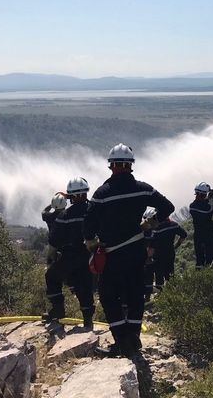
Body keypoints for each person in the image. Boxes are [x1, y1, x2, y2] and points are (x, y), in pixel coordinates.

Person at [84, 143, 174, 358]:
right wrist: (150, 223)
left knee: (108, 296)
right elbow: (168, 207)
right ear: (131, 165)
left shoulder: (102, 193)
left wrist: (91, 243)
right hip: (136, 251)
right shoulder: (143, 189)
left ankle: (122, 341)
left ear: (111, 166)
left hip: (112, 255)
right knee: (135, 294)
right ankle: (133, 338)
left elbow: (88, 225)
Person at [43, 178, 95, 330]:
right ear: (86, 193)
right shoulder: (94, 211)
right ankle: (87, 321)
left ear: (70, 196)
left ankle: (58, 309)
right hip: (89, 256)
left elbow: (53, 240)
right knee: (83, 286)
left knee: (51, 276)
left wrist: (50, 257)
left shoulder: (65, 215)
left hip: (69, 256)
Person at [149, 211, 187, 290]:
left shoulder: (155, 229)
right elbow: (184, 235)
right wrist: (176, 246)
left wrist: (148, 258)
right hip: (170, 252)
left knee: (159, 276)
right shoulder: (173, 225)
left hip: (158, 256)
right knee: (170, 274)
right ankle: (172, 295)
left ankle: (161, 297)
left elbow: (151, 247)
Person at [189, 182, 213, 269]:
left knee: (199, 261)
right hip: (209, 236)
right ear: (204, 195)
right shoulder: (207, 208)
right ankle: (209, 278)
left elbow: (200, 203)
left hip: (198, 235)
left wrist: (208, 197)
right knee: (210, 259)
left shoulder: (192, 206)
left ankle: (199, 278)